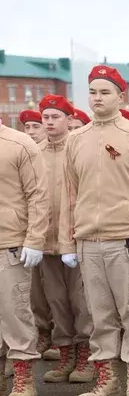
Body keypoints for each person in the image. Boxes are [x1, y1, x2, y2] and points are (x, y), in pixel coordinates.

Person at [59, 65, 129, 396]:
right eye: (92, 92)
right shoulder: (76, 139)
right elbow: (69, 196)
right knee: (99, 314)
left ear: (121, 96)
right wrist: (67, 243)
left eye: (105, 92)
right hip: (89, 242)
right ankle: (107, 381)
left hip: (127, 241)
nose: (97, 98)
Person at [35, 95, 94, 385]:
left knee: (81, 300)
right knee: (55, 301)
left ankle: (86, 356)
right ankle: (66, 354)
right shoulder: (34, 152)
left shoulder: (80, 146)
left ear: (69, 120)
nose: (48, 122)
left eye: (54, 117)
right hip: (46, 240)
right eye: (45, 117)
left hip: (75, 237)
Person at [0, 115, 49, 396]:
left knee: (14, 312)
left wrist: (34, 239)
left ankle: (23, 378)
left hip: (10, 242)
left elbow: (38, 195)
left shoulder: (20, 144)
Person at [17, 108, 55, 359]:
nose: (31, 131)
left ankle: (67, 342)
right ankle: (43, 334)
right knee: (35, 294)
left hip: (57, 234)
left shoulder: (60, 151)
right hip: (27, 233)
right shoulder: (24, 152)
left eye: (35, 126)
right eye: (27, 127)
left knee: (61, 296)